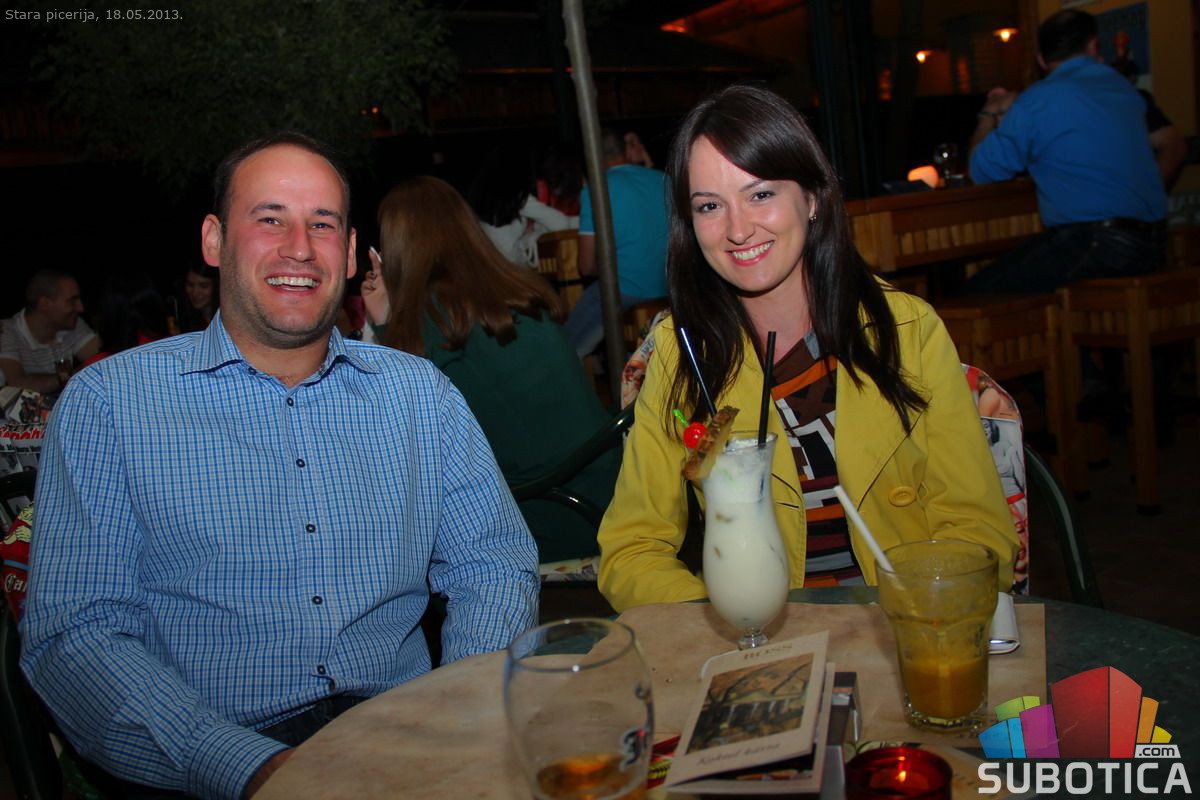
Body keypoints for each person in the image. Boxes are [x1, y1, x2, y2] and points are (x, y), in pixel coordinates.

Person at [21, 132, 539, 799]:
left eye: (322, 224)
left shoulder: (419, 394)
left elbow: (492, 563)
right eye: (270, 219)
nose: (299, 247)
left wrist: (461, 713)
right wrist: (246, 767)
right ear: (214, 240)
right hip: (207, 758)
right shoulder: (109, 405)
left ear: (349, 253)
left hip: (408, 736)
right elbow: (78, 634)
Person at [596, 85, 1018, 611]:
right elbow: (631, 551)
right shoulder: (683, 354)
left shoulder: (907, 330)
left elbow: (981, 534)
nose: (738, 229)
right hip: (755, 639)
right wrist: (728, 616)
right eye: (710, 206)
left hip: (902, 621)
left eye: (760, 195)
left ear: (813, 198)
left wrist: (913, 610)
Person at [361, 176, 619, 564]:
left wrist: (384, 321)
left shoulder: (438, 320)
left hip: (557, 511)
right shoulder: (513, 288)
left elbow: (397, 422)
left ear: (397, 248)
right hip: (609, 489)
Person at [965, 8, 1167, 294]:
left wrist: (990, 112)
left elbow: (980, 172)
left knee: (976, 295)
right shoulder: (1124, 89)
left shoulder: (1037, 101)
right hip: (1155, 241)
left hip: (1099, 243)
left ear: (1041, 59)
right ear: (1093, 46)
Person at [563, 128, 669, 357]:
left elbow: (586, 266)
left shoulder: (596, 189)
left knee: (566, 349)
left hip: (626, 289)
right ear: (625, 151)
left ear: (592, 156)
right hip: (671, 286)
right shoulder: (663, 179)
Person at [468, 146, 577, 267]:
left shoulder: (486, 199)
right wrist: (587, 221)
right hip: (510, 267)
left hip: (490, 265)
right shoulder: (519, 198)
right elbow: (561, 224)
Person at [0, 269, 100, 393]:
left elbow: (103, 360)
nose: (80, 308)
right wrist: (71, 376)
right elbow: (15, 385)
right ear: (45, 303)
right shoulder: (7, 331)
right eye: (72, 300)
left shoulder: (72, 323)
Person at [177, 262, 221, 332]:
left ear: (217, 286)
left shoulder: (229, 319)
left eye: (203, 286)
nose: (195, 293)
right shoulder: (183, 314)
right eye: (190, 285)